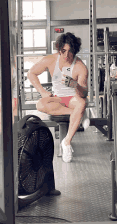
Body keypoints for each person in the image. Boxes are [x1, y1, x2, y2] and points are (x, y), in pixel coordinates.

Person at [27, 32, 89, 163]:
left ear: (75, 50)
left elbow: (83, 93)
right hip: (58, 99)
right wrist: (43, 91)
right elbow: (31, 73)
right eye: (63, 51)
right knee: (40, 104)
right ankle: (79, 115)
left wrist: (75, 84)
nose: (66, 55)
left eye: (70, 51)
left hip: (73, 98)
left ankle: (66, 143)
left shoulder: (80, 67)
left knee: (81, 103)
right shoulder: (51, 60)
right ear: (59, 49)